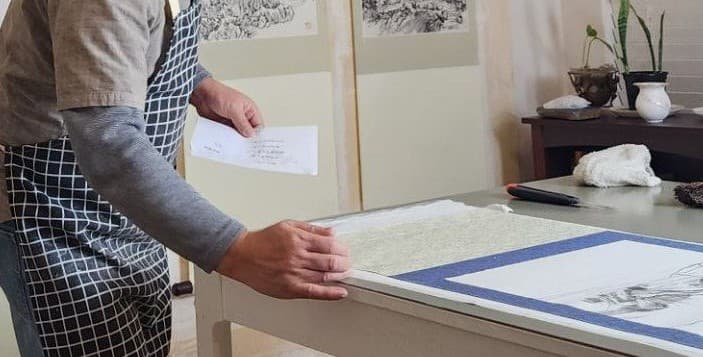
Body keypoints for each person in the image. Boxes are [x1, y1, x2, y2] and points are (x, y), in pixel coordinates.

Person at [0, 0, 351, 355]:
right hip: (53, 211)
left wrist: (199, 84)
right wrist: (236, 249)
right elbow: (108, 141)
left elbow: (119, 37)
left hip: (124, 213)